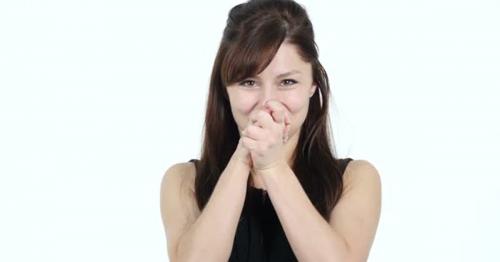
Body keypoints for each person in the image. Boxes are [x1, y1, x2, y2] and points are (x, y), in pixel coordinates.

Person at [160, 0, 381, 261]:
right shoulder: (184, 181)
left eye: (287, 82)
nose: (268, 102)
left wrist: (272, 166)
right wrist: (245, 156)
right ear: (225, 90)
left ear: (312, 85)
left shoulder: (354, 179)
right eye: (249, 82)